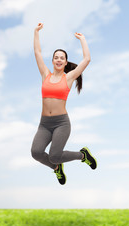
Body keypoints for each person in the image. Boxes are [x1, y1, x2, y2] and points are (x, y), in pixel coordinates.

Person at [31, 23, 97, 185]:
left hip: (61, 123)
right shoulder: (45, 74)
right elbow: (37, 52)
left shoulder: (68, 78)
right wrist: (36, 32)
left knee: (54, 155)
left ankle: (83, 155)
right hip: (44, 124)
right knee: (36, 152)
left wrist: (82, 39)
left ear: (66, 62)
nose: (59, 59)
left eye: (62, 58)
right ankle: (56, 168)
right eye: (56, 57)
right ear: (52, 61)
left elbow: (87, 59)